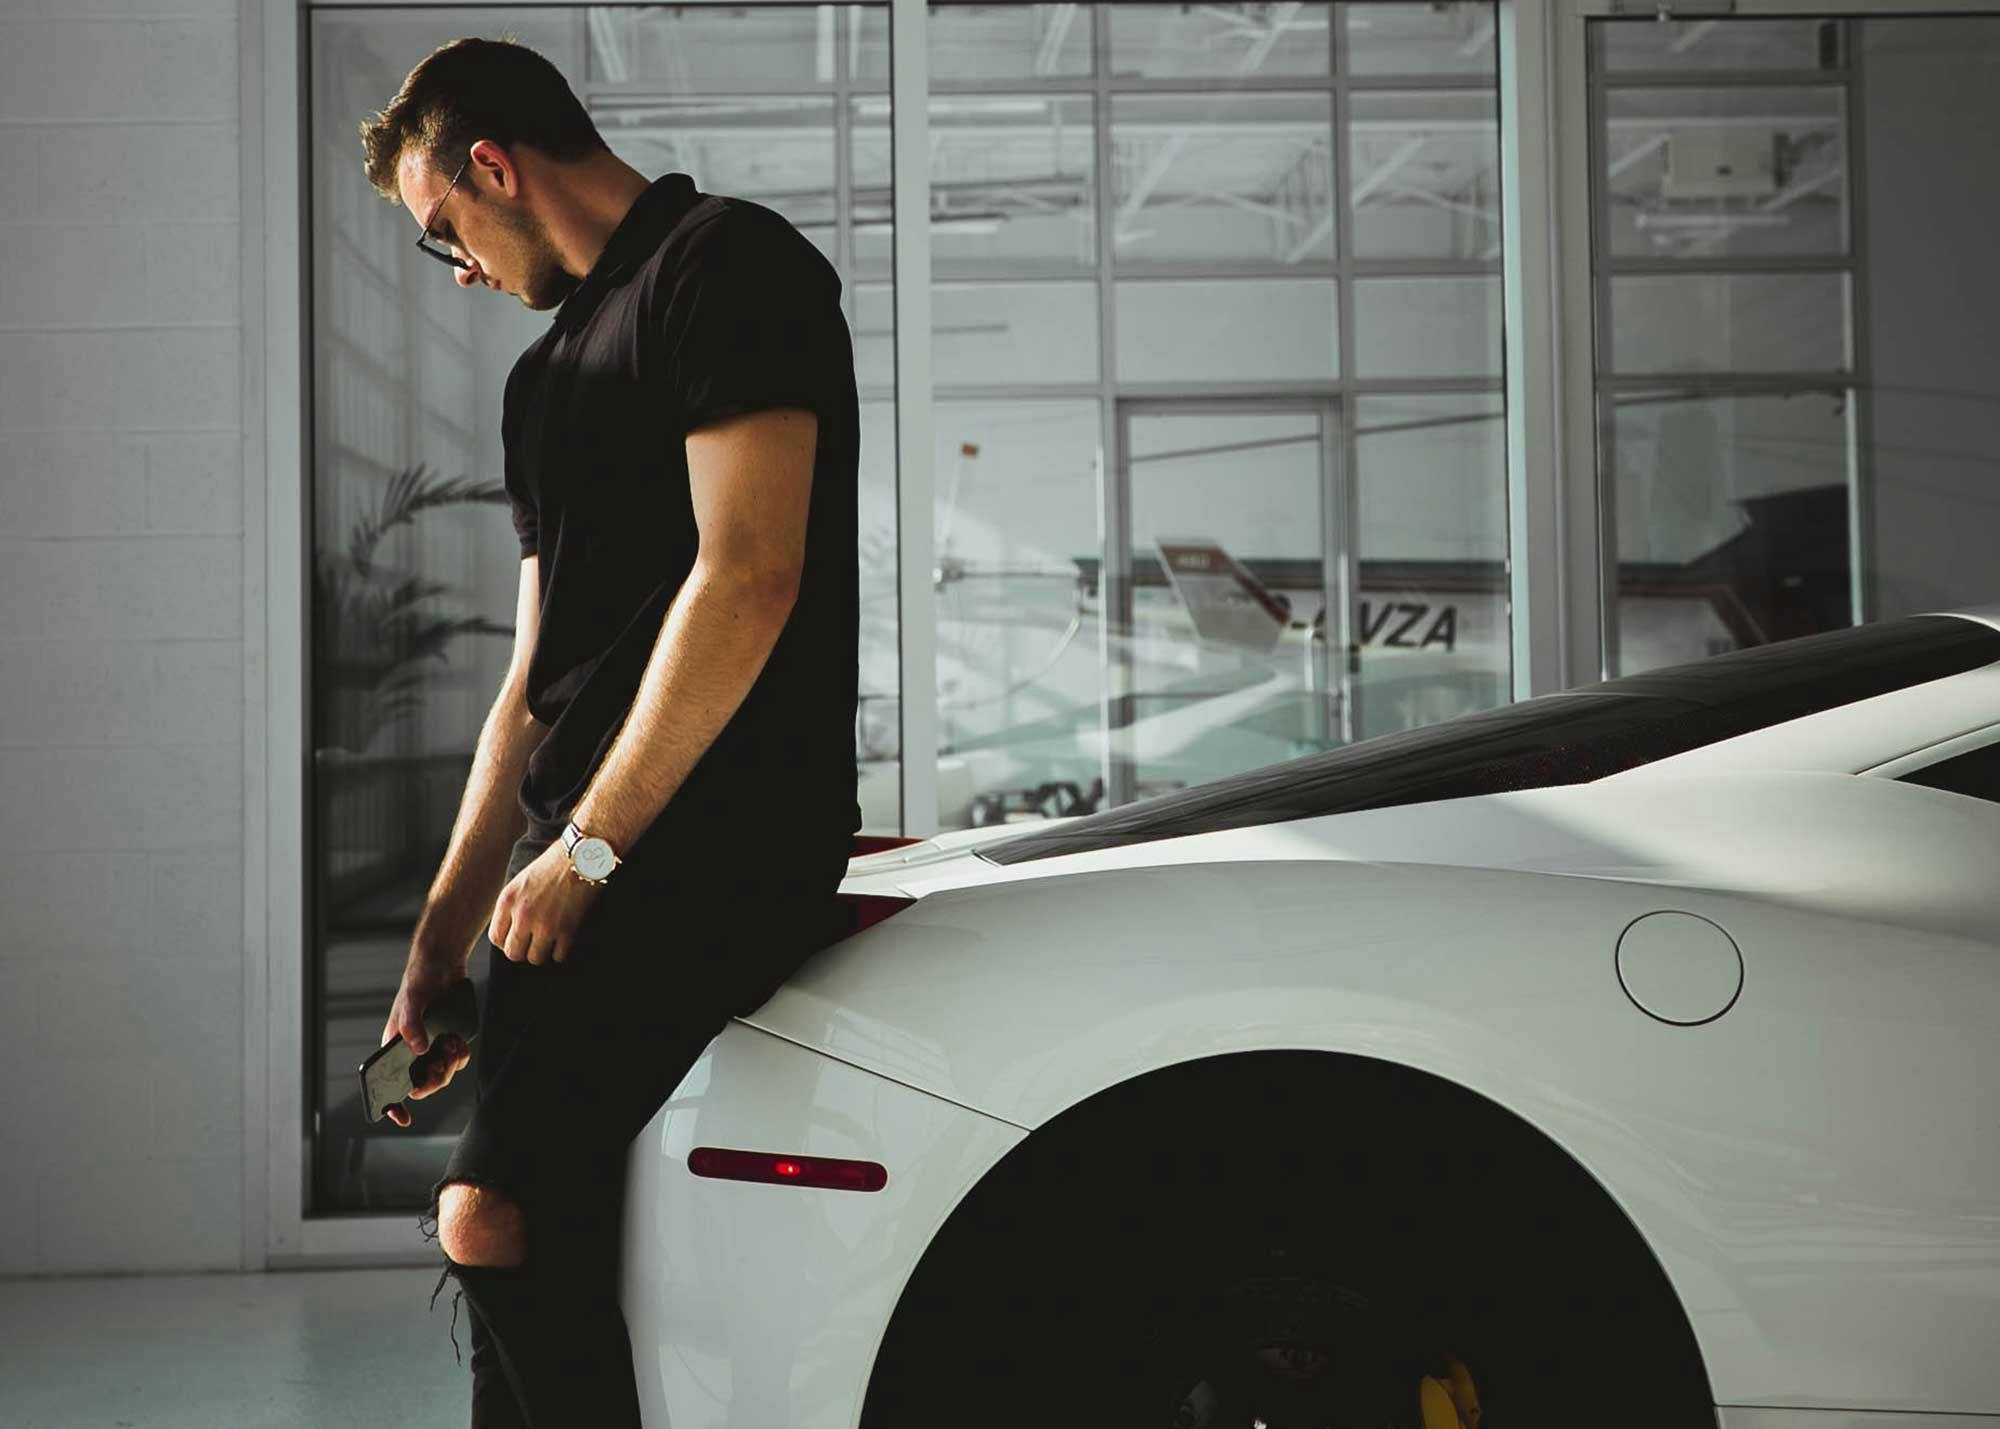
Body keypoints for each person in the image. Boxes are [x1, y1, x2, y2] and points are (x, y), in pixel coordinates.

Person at [358, 34, 861, 1427]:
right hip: (579, 857)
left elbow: (751, 570)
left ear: (494, 166)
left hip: (702, 839)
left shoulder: (728, 267)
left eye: (439, 228)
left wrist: (590, 850)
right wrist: (442, 932)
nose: (451, 264)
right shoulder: (542, 384)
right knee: (536, 1229)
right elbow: (533, 683)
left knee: (489, 1211)